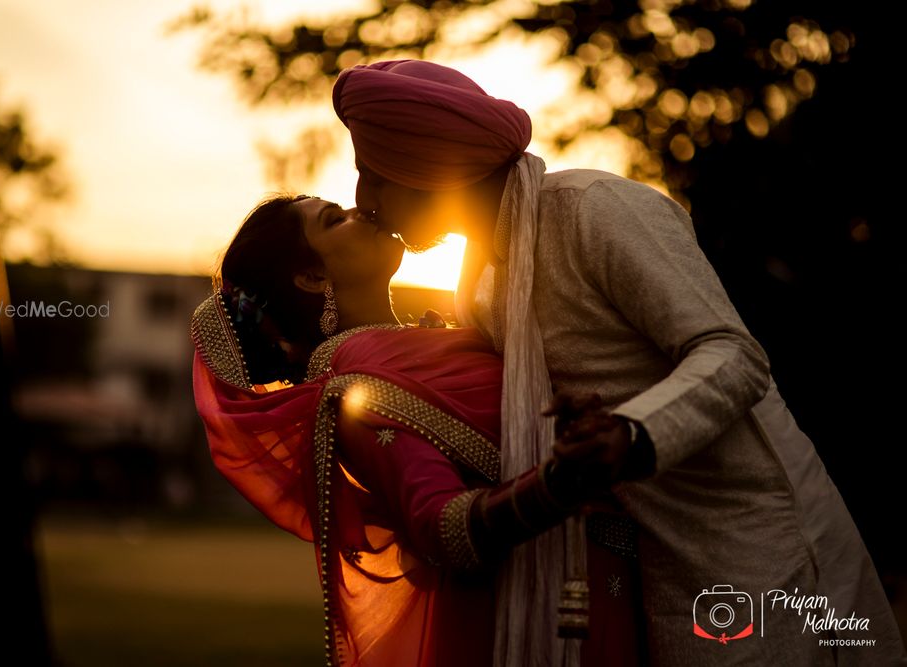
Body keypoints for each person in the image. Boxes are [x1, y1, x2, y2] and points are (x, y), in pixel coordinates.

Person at [332, 59, 907, 666]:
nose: (363, 199)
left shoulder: (595, 209)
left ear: (426, 163)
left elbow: (734, 355)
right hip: (649, 560)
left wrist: (632, 433)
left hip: (759, 539)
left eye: (374, 174)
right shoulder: (479, 286)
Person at [190, 195, 643, 666]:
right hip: (551, 611)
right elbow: (443, 529)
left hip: (606, 571)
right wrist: (559, 481)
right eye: (334, 220)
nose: (362, 210)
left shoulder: (451, 329)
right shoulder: (356, 394)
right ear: (312, 277)